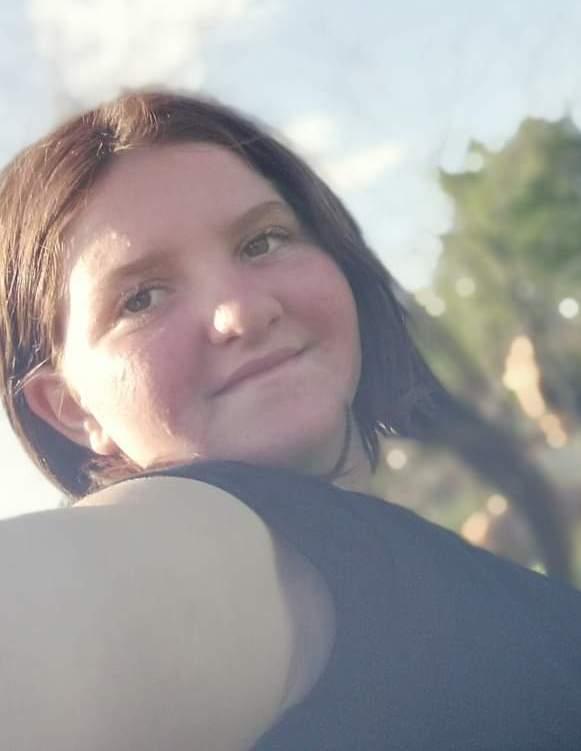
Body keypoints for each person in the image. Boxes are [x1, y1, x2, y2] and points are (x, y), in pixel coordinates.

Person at [0, 90, 580, 750]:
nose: (242, 312)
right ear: (71, 409)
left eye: (263, 241)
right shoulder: (201, 555)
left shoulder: (409, 558)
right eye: (141, 298)